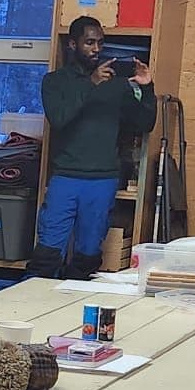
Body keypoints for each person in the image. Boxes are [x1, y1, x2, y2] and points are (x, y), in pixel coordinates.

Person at [33, 16, 155, 279]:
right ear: (73, 44)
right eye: (89, 43)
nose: (96, 49)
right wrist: (91, 83)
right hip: (66, 176)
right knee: (47, 255)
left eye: (100, 43)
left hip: (103, 179)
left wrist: (147, 88)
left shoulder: (116, 84)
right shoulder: (55, 81)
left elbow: (145, 123)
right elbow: (59, 118)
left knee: (87, 257)